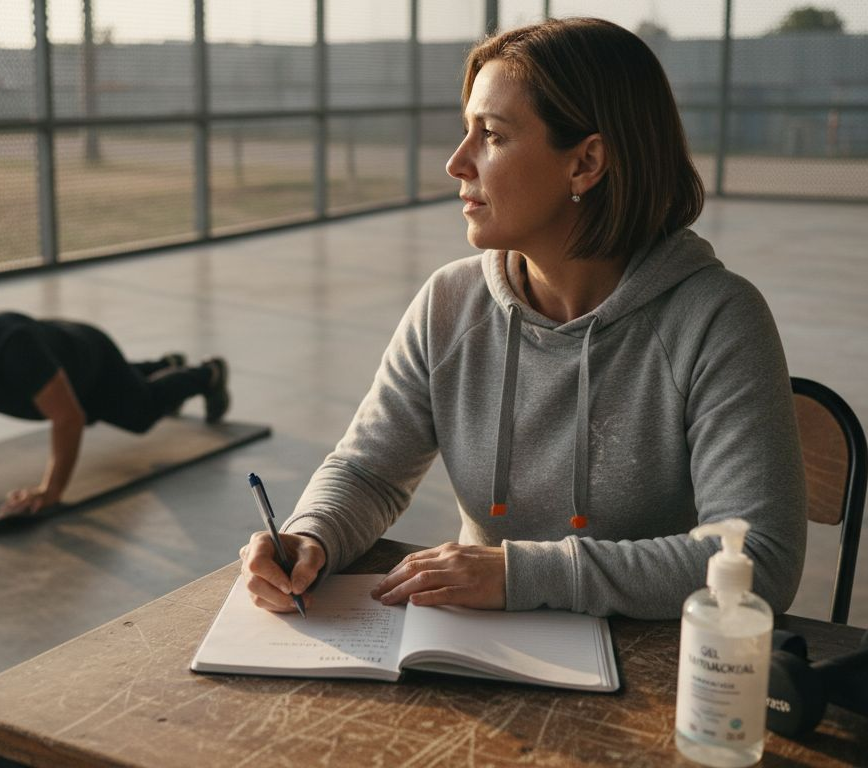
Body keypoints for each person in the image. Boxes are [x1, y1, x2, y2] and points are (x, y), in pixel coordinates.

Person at [240, 18, 806, 619]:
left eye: (492, 135)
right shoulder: (449, 303)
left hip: (645, 670)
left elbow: (757, 562)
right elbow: (369, 471)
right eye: (466, 131)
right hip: (475, 657)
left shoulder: (717, 320)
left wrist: (521, 573)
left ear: (585, 162)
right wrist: (311, 535)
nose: (458, 163)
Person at [0, 310, 230, 515]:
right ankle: (164, 364)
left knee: (141, 413)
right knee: (122, 394)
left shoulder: (9, 349)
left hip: (91, 361)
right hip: (56, 360)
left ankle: (207, 374)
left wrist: (51, 491)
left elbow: (68, 418)